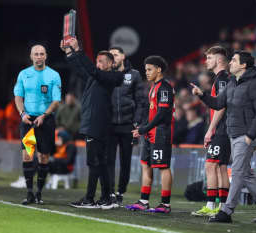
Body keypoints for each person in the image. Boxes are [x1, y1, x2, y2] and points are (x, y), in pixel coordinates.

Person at [191, 50, 256, 223]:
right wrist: (202, 95)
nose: (230, 63)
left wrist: (250, 135)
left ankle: (226, 211)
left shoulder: (255, 84)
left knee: (237, 172)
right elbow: (218, 103)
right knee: (245, 174)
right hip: (234, 134)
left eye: (234, 60)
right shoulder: (232, 82)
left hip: (246, 136)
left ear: (243, 65)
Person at [60, 38, 123, 209]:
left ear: (110, 63)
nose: (97, 64)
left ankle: (89, 199)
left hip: (97, 124)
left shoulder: (113, 76)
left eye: (101, 61)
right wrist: (70, 53)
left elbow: (92, 70)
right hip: (93, 123)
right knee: (100, 162)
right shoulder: (96, 77)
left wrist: (78, 50)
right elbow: (80, 69)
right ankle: (105, 198)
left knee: (93, 162)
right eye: (97, 61)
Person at [126, 56, 175, 213]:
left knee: (163, 167)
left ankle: (165, 204)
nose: (146, 72)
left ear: (158, 69)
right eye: (145, 69)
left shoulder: (165, 88)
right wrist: (142, 127)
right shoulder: (154, 87)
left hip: (161, 133)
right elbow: (152, 112)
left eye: (149, 69)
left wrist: (144, 129)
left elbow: (161, 114)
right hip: (150, 133)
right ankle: (143, 200)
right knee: (145, 165)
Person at [13, 44, 61, 205]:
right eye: (36, 54)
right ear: (31, 56)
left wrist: (45, 115)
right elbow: (18, 97)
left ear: (46, 56)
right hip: (28, 120)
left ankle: (39, 193)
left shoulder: (53, 75)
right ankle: (29, 193)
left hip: (46, 120)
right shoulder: (24, 74)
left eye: (41, 54)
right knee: (27, 155)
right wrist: (22, 114)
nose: (39, 57)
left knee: (43, 157)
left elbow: (56, 100)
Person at [191, 46, 231, 217]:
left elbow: (221, 106)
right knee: (221, 167)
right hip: (224, 129)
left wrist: (210, 129)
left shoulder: (222, 79)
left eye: (209, 57)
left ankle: (211, 204)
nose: (206, 61)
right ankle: (221, 206)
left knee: (211, 165)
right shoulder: (220, 79)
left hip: (221, 129)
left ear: (218, 59)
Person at [106, 46, 146, 205]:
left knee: (125, 161)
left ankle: (120, 191)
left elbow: (140, 102)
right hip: (110, 125)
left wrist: (136, 123)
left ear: (123, 56)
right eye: (111, 55)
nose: (113, 57)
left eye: (115, 54)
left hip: (128, 125)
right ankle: (109, 190)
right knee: (108, 160)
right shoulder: (106, 74)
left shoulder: (134, 75)